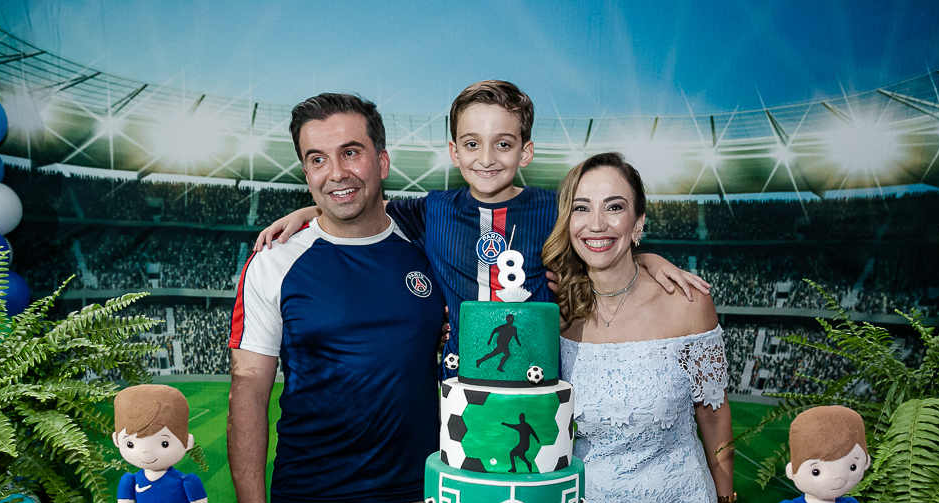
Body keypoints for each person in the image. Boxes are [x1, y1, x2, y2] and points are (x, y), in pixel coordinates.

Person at [253, 80, 710, 373]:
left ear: (525, 152)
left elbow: (602, 236)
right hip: (457, 386)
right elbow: (362, 202)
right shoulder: (432, 210)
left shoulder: (557, 208)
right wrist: (309, 213)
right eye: (472, 144)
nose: (487, 158)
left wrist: (646, 258)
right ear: (454, 152)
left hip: (540, 381)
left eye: (503, 144)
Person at [228, 93, 444, 503]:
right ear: (305, 172)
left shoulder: (432, 247)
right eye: (317, 159)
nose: (336, 172)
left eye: (351, 152)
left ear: (382, 160)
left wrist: (643, 260)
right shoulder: (274, 262)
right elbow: (248, 395)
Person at [547, 152, 739, 503]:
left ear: (638, 224)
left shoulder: (688, 304)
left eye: (614, 207)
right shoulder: (555, 309)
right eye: (581, 207)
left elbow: (713, 414)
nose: (596, 223)